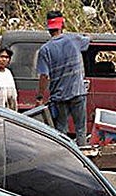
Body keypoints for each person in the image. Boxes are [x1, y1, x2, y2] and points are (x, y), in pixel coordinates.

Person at [36, 10, 90, 146]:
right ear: (62, 24)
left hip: (59, 96)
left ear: (48, 28)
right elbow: (88, 40)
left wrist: (40, 97)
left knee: (61, 131)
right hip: (77, 93)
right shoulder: (74, 39)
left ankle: (63, 156)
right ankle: (83, 156)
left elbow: (44, 76)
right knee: (80, 129)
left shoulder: (45, 50)